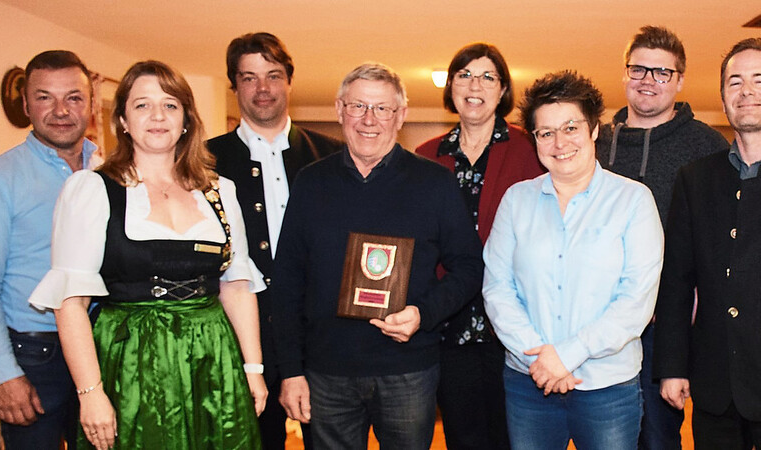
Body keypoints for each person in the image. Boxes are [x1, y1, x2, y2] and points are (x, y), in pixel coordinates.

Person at [27, 60, 266, 449]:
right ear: (121, 119)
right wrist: (91, 393)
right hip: (132, 361)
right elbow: (71, 302)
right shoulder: (92, 189)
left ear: (186, 118)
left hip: (213, 358)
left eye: (170, 105)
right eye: (142, 105)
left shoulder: (220, 191)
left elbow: (236, 286)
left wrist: (252, 369)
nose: (158, 116)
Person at [272, 63, 483, 449]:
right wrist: (290, 371)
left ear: (400, 116)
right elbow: (286, 281)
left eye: (382, 109)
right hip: (325, 372)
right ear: (339, 110)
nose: (369, 120)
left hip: (408, 369)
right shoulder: (311, 182)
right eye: (358, 106)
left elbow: (469, 267)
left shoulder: (434, 182)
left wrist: (424, 314)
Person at [482, 70, 663, 449]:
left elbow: (636, 301)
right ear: (534, 140)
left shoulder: (633, 201)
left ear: (594, 129)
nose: (559, 142)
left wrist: (567, 355)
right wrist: (542, 359)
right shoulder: (517, 201)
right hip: (528, 383)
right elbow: (498, 289)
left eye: (570, 127)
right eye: (546, 132)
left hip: (607, 390)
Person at [595, 26, 729, 450]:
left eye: (662, 73)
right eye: (639, 69)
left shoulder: (707, 145)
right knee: (603, 434)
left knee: (656, 436)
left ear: (680, 80)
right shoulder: (595, 142)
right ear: (624, 73)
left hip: (666, 324)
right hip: (597, 319)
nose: (648, 80)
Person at [206, 32, 342, 449]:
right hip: (244, 335)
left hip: (322, 334)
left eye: (272, 75)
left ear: (289, 81)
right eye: (249, 78)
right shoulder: (204, 160)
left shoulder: (332, 157)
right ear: (234, 87)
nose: (262, 88)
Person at [0, 50, 100, 449]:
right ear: (25, 104)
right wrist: (5, 375)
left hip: (102, 345)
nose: (61, 110)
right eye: (45, 97)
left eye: (73, 97)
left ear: (90, 104)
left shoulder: (109, 172)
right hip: (34, 355)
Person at [415, 42, 543, 450]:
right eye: (465, 75)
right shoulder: (425, 157)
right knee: (463, 434)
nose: (476, 85)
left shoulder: (531, 150)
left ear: (503, 90)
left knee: (515, 436)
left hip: (514, 323)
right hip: (449, 323)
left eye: (488, 76)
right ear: (451, 86)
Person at [654, 37, 761, 449]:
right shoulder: (695, 178)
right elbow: (677, 280)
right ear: (723, 96)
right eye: (735, 81)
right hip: (715, 385)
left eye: (757, 80)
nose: (746, 91)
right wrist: (672, 366)